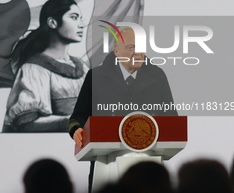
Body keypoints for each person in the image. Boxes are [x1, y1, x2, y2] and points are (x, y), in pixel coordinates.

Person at [68, 26, 177, 192]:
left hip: (148, 163)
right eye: (131, 48)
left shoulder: (157, 76)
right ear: (116, 51)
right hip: (106, 161)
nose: (138, 52)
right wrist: (77, 129)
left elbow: (171, 119)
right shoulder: (96, 77)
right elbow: (79, 116)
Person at [2, 0, 88, 133]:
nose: (81, 24)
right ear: (52, 22)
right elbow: (27, 123)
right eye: (74, 17)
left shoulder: (82, 66)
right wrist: (73, 122)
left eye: (80, 18)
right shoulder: (34, 68)